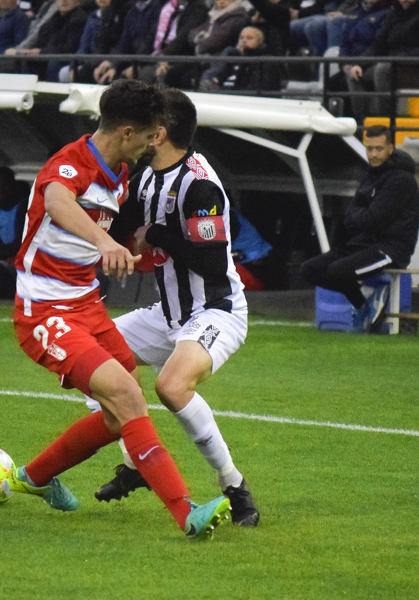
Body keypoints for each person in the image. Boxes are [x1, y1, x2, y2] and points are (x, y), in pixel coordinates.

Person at [8, 80, 232, 538]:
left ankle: (34, 477)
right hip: (44, 312)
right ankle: (186, 512)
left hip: (86, 305)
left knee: (116, 414)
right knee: (130, 398)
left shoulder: (121, 174)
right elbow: (57, 201)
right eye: (150, 134)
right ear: (126, 132)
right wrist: (103, 240)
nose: (155, 143)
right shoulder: (71, 164)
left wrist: (130, 250)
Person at [90, 88, 260, 527]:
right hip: (167, 313)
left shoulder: (199, 183)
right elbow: (130, 227)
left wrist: (158, 236)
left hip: (216, 312)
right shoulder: (147, 174)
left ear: (159, 133)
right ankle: (136, 463)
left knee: (171, 387)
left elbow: (209, 259)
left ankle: (235, 487)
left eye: (147, 124)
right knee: (87, 356)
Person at [299, 125, 419, 326]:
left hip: (391, 248)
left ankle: (364, 306)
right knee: (308, 270)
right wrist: (360, 218)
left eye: (378, 149)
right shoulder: (370, 176)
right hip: (363, 243)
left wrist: (359, 217)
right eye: (369, 148)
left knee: (339, 271)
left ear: (391, 149)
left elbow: (373, 219)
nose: (373, 154)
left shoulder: (401, 180)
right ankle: (366, 303)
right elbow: (351, 217)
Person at [345, 0, 419, 121]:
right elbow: (378, 45)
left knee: (383, 70)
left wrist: (397, 59)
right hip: (391, 66)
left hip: (418, 70)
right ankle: (362, 125)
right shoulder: (394, 14)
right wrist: (359, 64)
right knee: (354, 74)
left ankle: (385, 125)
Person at [0, 166, 29, 261]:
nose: (0, 190)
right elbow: (1, 237)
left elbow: (19, 245)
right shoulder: (0, 209)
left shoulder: (24, 207)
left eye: (4, 185)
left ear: (12, 185)